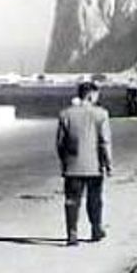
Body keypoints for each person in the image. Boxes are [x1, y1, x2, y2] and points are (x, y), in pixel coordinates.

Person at [56, 80, 113, 246]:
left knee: (72, 200)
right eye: (96, 95)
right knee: (94, 199)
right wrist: (108, 164)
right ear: (90, 95)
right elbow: (104, 142)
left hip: (72, 166)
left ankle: (72, 233)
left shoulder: (65, 114)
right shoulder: (101, 114)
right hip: (94, 166)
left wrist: (64, 161)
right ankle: (96, 229)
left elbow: (60, 143)